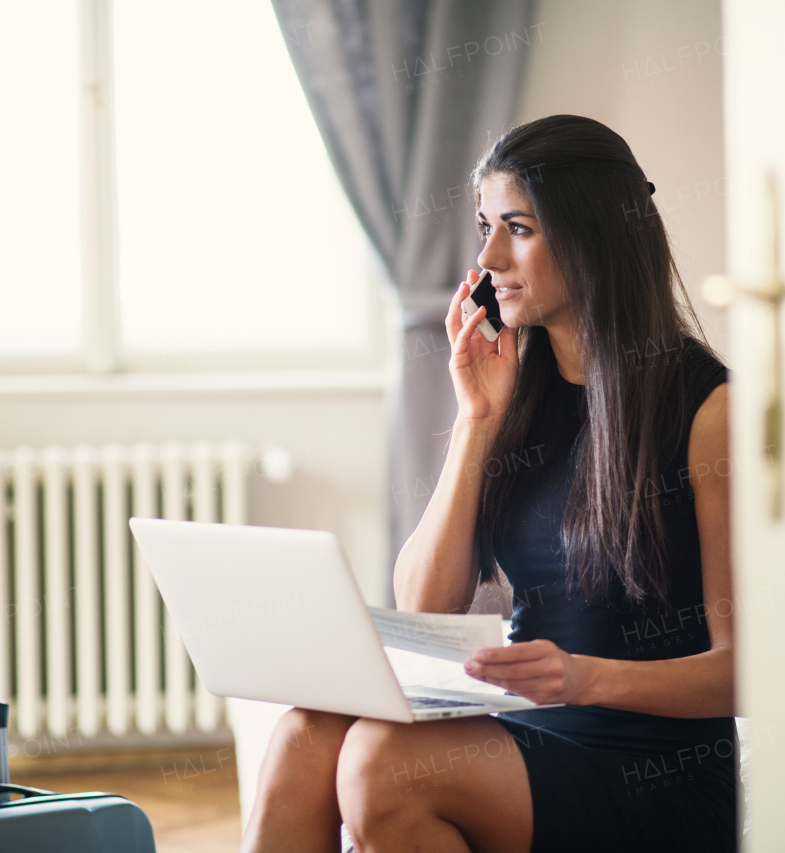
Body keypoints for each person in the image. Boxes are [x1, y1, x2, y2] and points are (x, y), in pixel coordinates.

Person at [240, 114, 737, 853]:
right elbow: (425, 599)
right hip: (525, 724)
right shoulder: (515, 393)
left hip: (651, 765)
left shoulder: (707, 409)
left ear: (595, 235)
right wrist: (476, 417)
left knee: (384, 765)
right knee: (305, 734)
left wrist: (583, 678)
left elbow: (744, 669)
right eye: (485, 226)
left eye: (519, 228)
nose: (489, 255)